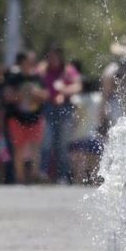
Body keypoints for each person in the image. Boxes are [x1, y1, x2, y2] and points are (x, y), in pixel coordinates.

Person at [4, 52, 49, 184]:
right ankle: (20, 178)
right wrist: (21, 94)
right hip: (17, 119)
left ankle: (34, 176)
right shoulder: (13, 78)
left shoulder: (37, 78)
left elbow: (46, 95)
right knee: (19, 149)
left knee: (36, 148)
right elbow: (7, 96)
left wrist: (34, 92)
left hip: (35, 118)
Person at [39, 46, 82, 183]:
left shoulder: (68, 70)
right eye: (50, 56)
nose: (53, 59)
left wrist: (63, 90)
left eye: (55, 56)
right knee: (47, 142)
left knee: (63, 144)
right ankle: (44, 174)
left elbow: (78, 86)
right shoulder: (42, 70)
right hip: (48, 108)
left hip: (65, 108)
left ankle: (62, 176)